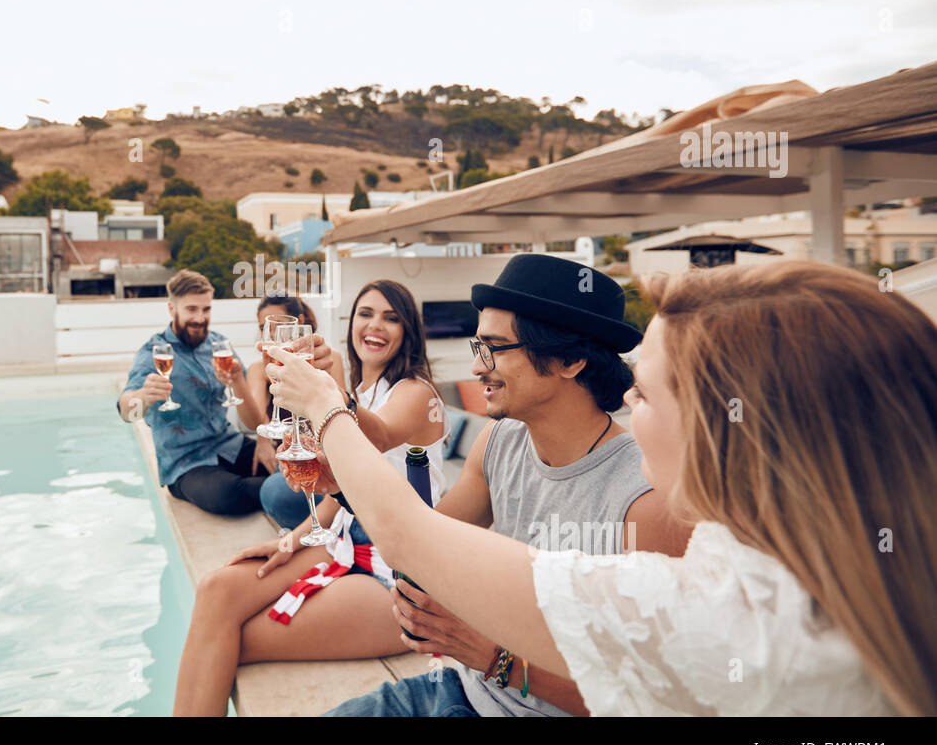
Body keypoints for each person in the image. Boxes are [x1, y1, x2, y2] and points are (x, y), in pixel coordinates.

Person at [268, 259, 936, 715]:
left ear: (725, 432)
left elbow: (413, 535)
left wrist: (327, 409)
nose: (627, 404)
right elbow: (429, 541)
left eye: (643, 394)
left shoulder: (724, 608)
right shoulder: (778, 569)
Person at [323, 255, 691, 717]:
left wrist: (496, 658)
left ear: (570, 359)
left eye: (494, 348)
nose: (478, 368)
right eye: (479, 346)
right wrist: (339, 486)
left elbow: (650, 699)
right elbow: (419, 543)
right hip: (457, 689)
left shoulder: (645, 501)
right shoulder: (500, 438)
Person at [172, 280, 448, 716]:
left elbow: (373, 437)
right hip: (343, 542)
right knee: (217, 590)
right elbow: (347, 488)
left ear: (408, 331)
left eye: (391, 318)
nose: (375, 326)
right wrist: (294, 538)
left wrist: (324, 389)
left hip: (396, 571)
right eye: (366, 314)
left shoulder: (417, 393)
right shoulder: (363, 391)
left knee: (232, 639)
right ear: (351, 323)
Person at [118, 269, 336, 516]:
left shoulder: (218, 344)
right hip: (186, 463)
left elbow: (253, 421)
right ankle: (297, 497)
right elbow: (126, 410)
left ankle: (312, 498)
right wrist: (143, 397)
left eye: (206, 309)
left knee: (283, 465)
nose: (200, 318)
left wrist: (237, 381)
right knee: (229, 496)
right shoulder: (153, 352)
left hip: (227, 445)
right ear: (172, 309)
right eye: (191, 309)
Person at [215, 294, 346, 527]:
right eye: (264, 328)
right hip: (283, 459)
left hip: (321, 457)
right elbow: (252, 419)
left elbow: (342, 414)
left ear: (300, 322)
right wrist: (237, 381)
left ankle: (328, 521)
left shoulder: (327, 359)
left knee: (273, 493)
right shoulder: (260, 368)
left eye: (278, 328)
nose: (273, 336)